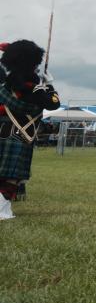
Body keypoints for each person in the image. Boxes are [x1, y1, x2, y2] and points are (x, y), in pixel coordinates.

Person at [0, 40, 59, 220]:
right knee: (12, 176)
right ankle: (2, 209)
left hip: (3, 131)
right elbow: (54, 103)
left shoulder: (5, 87)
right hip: (21, 137)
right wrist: (49, 84)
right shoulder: (35, 89)